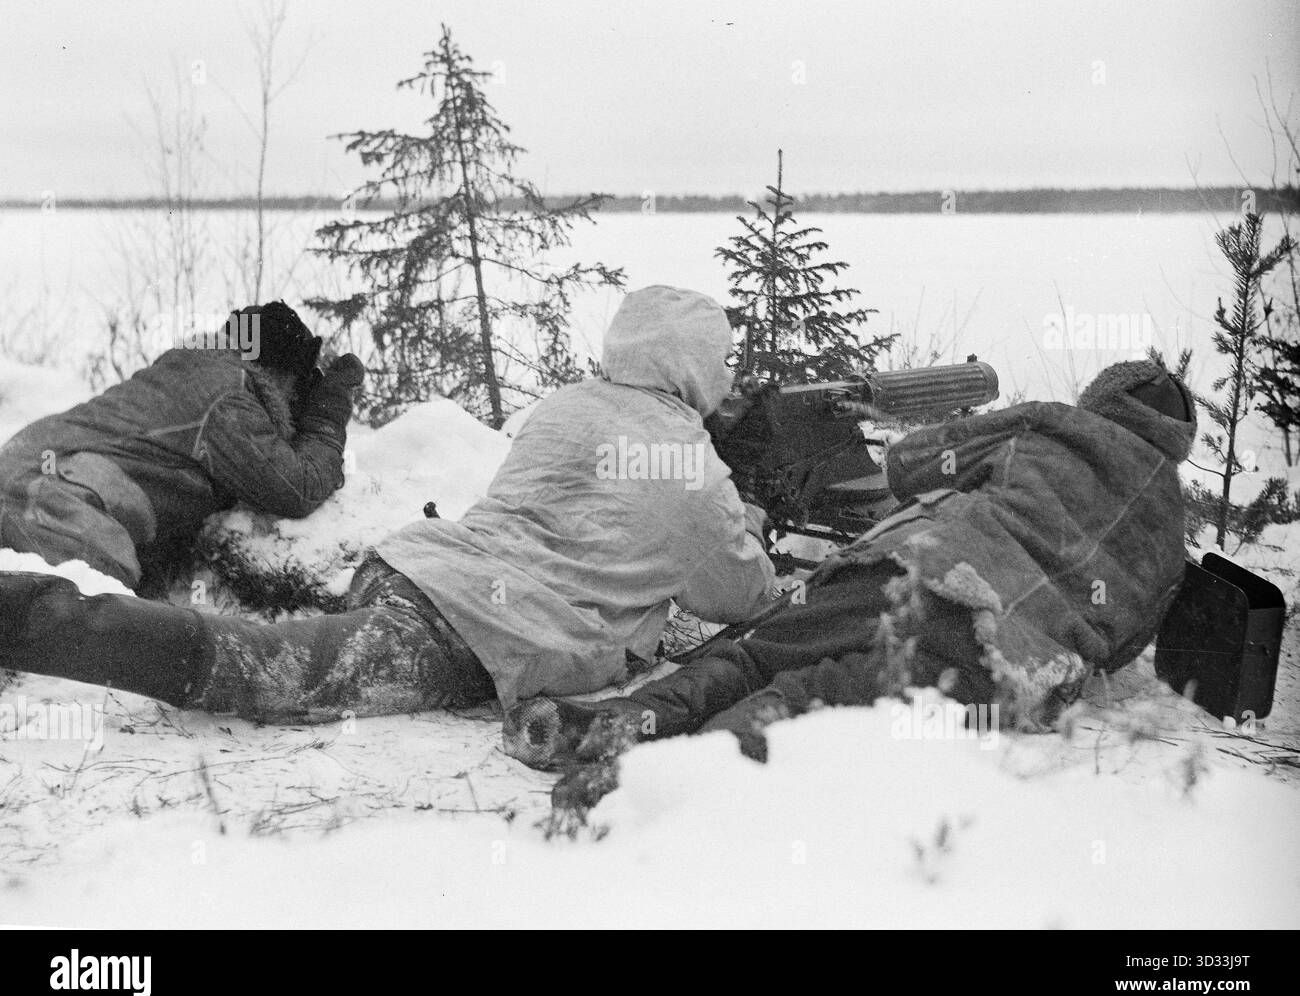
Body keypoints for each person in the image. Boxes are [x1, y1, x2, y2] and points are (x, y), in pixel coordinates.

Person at [0, 285, 775, 724]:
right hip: (480, 629)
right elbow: (742, 594)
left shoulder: (568, 404)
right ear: (697, 367)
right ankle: (41, 619)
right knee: (270, 669)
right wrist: (745, 527)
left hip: (410, 567)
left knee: (292, 647)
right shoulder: (689, 465)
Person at [505, 358, 1198, 776]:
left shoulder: (1051, 425)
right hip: (1007, 671)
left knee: (758, 656)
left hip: (914, 577)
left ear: (1102, 398)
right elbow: (1122, 643)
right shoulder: (1172, 537)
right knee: (817, 697)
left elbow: (910, 465)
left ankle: (619, 731)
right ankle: (675, 784)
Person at [0, 301, 359, 593]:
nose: (295, 401)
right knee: (96, 654)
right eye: (297, 388)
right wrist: (327, 413)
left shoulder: (195, 369)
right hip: (51, 498)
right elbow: (296, 489)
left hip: (26, 478)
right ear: (280, 376)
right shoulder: (229, 398)